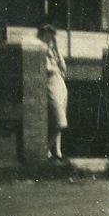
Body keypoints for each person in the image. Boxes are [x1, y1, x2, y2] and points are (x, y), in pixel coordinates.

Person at [37, 24, 69, 162]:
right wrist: (55, 68)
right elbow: (46, 69)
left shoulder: (54, 51)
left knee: (59, 121)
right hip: (50, 86)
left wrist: (57, 51)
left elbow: (63, 67)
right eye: (48, 35)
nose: (50, 39)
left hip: (60, 86)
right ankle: (45, 151)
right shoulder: (40, 51)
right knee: (59, 121)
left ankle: (57, 151)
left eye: (52, 37)